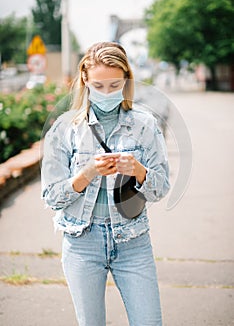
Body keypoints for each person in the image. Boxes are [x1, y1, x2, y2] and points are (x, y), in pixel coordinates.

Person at [41, 41, 170, 326]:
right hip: (81, 243)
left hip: (132, 241)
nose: (107, 93)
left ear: (126, 80)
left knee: (149, 321)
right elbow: (51, 196)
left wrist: (138, 170)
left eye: (115, 85)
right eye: (99, 86)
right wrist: (87, 173)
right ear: (85, 80)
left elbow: (161, 188)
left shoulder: (145, 125)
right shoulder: (64, 129)